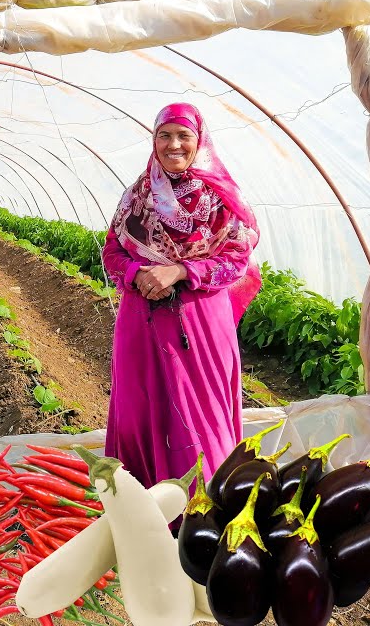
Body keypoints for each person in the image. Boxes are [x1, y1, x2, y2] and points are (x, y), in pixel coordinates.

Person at [101, 101, 261, 493]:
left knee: (200, 413)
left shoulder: (220, 197)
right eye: (164, 135)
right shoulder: (138, 194)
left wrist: (181, 270)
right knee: (139, 409)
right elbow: (112, 252)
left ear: (199, 140)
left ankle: (203, 506)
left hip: (200, 319)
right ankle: (140, 502)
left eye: (183, 135)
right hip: (142, 316)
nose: (174, 144)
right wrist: (138, 273)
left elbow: (237, 257)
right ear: (154, 140)